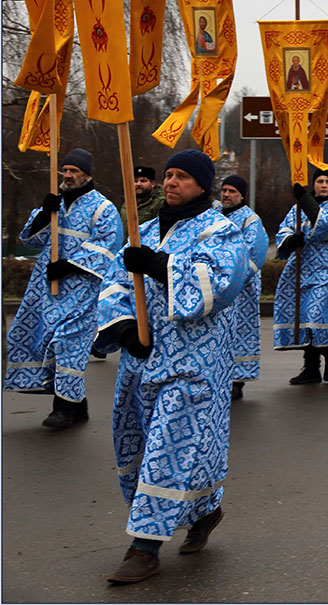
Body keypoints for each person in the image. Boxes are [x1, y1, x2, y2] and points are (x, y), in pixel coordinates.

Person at [93, 150, 249, 584]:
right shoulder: (140, 233)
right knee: (141, 445)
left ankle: (144, 548)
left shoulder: (222, 231)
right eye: (169, 175)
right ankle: (205, 510)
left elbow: (221, 284)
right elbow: (115, 283)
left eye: (181, 176)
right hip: (141, 362)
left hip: (194, 365)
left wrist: (161, 266)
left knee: (170, 447)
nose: (171, 182)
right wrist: (125, 329)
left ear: (203, 186)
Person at [4, 148, 121, 428]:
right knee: (41, 340)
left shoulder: (102, 208)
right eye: (65, 170)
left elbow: (109, 245)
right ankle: (77, 406)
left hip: (82, 288)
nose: (67, 176)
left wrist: (70, 265)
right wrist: (45, 214)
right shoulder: (55, 203)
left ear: (87, 175)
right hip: (46, 288)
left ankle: (65, 408)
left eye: (73, 171)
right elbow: (30, 240)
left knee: (68, 343)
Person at [274, 168, 328, 385]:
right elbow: (284, 229)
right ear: (314, 184)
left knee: (315, 315)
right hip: (302, 270)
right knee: (303, 319)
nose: (323, 185)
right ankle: (311, 368)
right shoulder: (298, 208)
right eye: (319, 181)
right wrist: (291, 240)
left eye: (327, 181)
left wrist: (305, 199)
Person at [214, 175, 268, 400]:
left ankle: (237, 379)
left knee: (239, 332)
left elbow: (252, 253)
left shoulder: (250, 220)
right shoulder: (214, 215)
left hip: (240, 288)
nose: (226, 194)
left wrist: (230, 277)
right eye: (224, 190)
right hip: (215, 285)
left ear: (242, 195)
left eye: (232, 191)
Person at [118, 165, 165, 235]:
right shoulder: (128, 201)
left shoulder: (159, 202)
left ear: (152, 184)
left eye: (143, 181)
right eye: (135, 181)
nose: (138, 184)